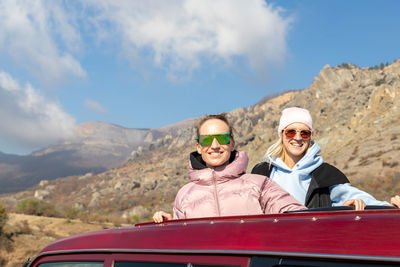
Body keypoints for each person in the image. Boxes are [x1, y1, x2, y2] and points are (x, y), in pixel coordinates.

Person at [153, 113, 306, 223]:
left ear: (232, 143)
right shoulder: (184, 194)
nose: (214, 146)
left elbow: (295, 214)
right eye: (207, 140)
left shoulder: (260, 184)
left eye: (222, 138)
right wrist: (169, 223)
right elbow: (182, 240)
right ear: (198, 147)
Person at [251, 107, 399, 210]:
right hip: (270, 248)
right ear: (281, 134)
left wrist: (387, 206)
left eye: (304, 133)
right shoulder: (262, 171)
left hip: (309, 245)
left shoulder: (325, 173)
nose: (297, 138)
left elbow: (352, 195)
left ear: (310, 137)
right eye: (291, 132)